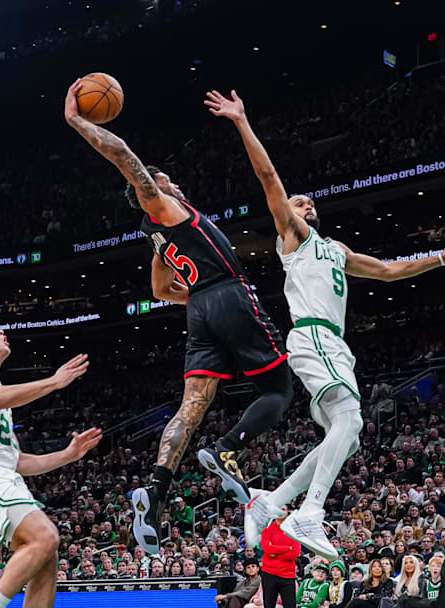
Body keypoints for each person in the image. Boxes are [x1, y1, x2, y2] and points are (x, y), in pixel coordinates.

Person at [205, 88, 445, 559]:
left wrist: (440, 258)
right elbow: (268, 177)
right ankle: (309, 512)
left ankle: (271, 502)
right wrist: (242, 122)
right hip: (313, 335)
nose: (303, 203)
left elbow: (388, 270)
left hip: (333, 343)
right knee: (350, 420)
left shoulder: (337, 250)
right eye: (296, 201)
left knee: (344, 439)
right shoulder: (295, 237)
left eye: (308, 201)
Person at [65, 80, 295, 554]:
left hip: (200, 309)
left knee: (192, 407)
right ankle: (227, 448)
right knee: (279, 388)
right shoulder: (162, 206)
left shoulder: (156, 233)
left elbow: (158, 289)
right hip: (228, 293)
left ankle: (155, 490)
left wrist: (196, 301)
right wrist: (77, 121)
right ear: (153, 188)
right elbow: (124, 155)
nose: (174, 182)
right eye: (165, 179)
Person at [0, 313, 101, 608]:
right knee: (44, 536)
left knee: (45, 552)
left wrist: (68, 455)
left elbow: (18, 462)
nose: (0, 330)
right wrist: (53, 382)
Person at [261, 506, 300, 608]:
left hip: (288, 574)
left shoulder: (293, 531)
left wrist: (276, 554)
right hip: (269, 573)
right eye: (278, 508)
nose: (280, 511)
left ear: (287, 512)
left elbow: (295, 552)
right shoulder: (267, 530)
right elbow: (267, 548)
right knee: (269, 605)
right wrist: (287, 548)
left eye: (283, 509)